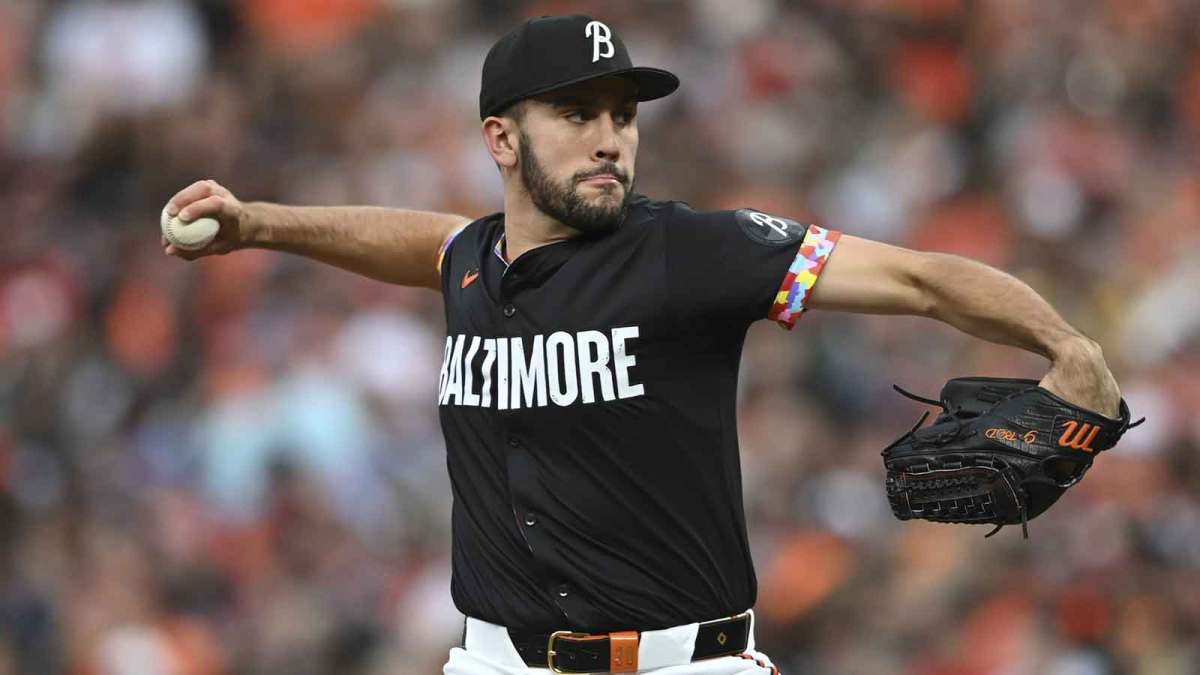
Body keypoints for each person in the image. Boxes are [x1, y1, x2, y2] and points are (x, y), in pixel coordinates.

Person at [161, 14, 1123, 675]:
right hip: (496, 657)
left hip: (684, 658)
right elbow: (427, 240)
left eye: (622, 114)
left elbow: (917, 278)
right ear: (502, 139)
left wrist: (1063, 339)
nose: (611, 137)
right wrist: (265, 224)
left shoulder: (690, 254)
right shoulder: (471, 263)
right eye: (577, 114)